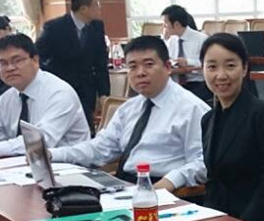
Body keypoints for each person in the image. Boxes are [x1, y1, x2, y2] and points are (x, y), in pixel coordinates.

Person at [51, 36, 208, 190]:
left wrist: (171, 181)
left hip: (164, 188)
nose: (140, 73)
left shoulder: (191, 108)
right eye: (133, 67)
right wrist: (51, 155)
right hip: (124, 185)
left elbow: (204, 161)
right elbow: (100, 149)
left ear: (167, 67)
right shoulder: (129, 108)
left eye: (148, 65)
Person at [201, 34, 264, 221]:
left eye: (230, 66)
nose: (221, 75)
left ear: (245, 68)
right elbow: (213, 181)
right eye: (212, 67)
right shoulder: (207, 120)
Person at [36, 0, 110, 130]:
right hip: (60, 90)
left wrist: (103, 93)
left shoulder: (97, 27)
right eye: (96, 4)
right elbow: (37, 57)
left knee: (86, 130)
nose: (99, 7)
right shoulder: (54, 27)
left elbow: (101, 63)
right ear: (83, 8)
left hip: (87, 91)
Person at [161, 4, 212, 103]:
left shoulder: (201, 39)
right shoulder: (171, 40)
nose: (164, 27)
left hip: (198, 83)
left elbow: (209, 64)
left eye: (165, 24)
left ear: (176, 24)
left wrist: (188, 62)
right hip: (176, 84)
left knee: (183, 101)